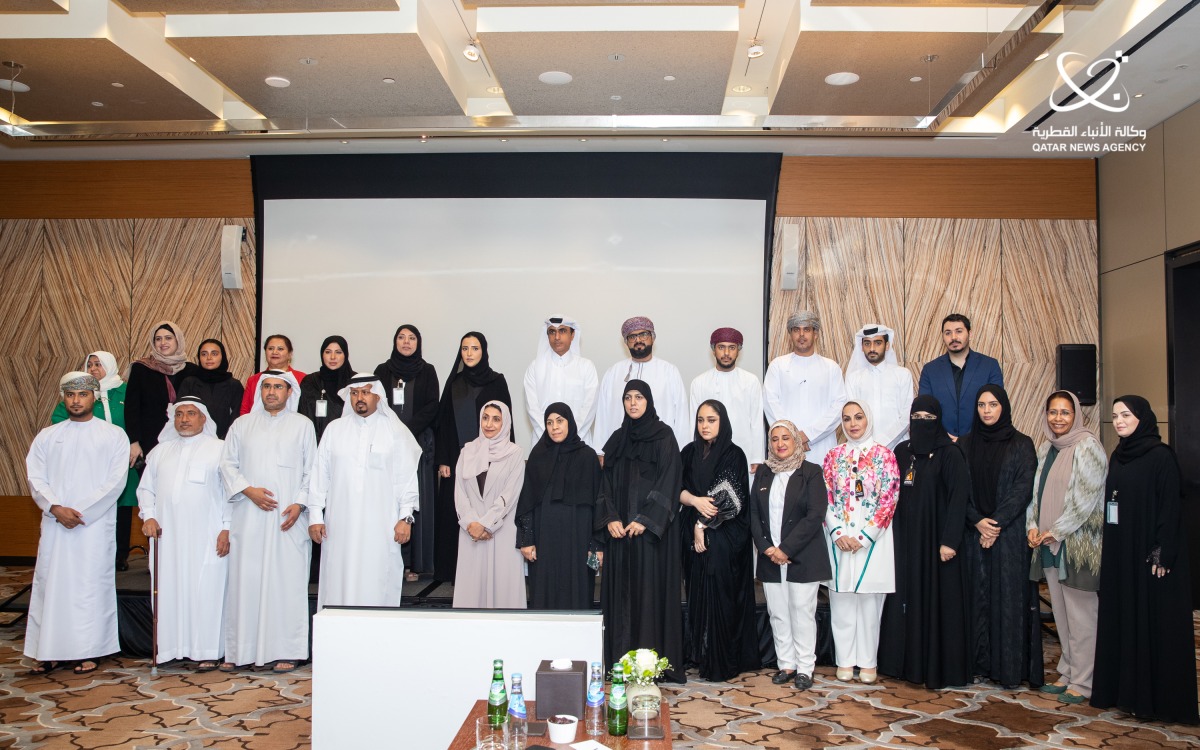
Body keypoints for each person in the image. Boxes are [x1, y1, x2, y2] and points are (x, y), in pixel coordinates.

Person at [1090, 396, 1198, 724]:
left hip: (1151, 558)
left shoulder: (1160, 457)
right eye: (1115, 416)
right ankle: (1126, 695)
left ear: (1143, 418)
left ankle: (1158, 701)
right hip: (1122, 554)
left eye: (1125, 414)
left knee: (1153, 625)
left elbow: (1170, 509)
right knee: (1125, 620)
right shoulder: (1119, 456)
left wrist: (1160, 553)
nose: (1119, 420)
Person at [24, 372, 129, 675]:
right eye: (70, 395)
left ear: (94, 397)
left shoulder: (113, 435)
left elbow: (115, 482)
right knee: (50, 585)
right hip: (56, 522)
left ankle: (89, 650)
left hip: (92, 526)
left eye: (82, 395)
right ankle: (49, 650)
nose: (76, 400)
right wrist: (55, 507)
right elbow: (35, 476)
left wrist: (80, 512)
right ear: (63, 398)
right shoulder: (47, 435)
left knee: (88, 587)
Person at [219, 370, 316, 673]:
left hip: (288, 518)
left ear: (290, 392)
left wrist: (300, 503)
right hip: (248, 516)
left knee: (287, 582)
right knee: (245, 581)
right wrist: (249, 491)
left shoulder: (303, 425)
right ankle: (240, 650)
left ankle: (287, 650)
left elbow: (312, 469)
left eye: (278, 387)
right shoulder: (241, 425)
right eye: (267, 387)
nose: (272, 392)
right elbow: (227, 464)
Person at [877, 395, 971, 689]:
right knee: (904, 601)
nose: (922, 423)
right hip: (905, 543)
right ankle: (903, 666)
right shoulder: (902, 452)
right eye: (916, 417)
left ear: (938, 420)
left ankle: (934, 669)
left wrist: (949, 541)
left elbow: (959, 500)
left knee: (935, 604)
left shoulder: (950, 454)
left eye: (928, 418)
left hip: (937, 545)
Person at [596, 380, 685, 682]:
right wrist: (610, 518)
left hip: (650, 539)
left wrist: (645, 519)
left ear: (648, 401)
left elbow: (670, 482)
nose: (633, 403)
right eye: (627, 398)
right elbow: (603, 486)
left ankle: (649, 666)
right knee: (620, 601)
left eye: (639, 397)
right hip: (620, 536)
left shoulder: (664, 437)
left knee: (648, 598)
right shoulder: (617, 440)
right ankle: (619, 663)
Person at [307, 375, 422, 609]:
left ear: (378, 396)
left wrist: (405, 518)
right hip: (339, 526)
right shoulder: (334, 429)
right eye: (354, 393)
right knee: (338, 580)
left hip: (381, 525)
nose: (359, 398)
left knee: (377, 580)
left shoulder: (394, 430)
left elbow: (407, 477)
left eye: (365, 392)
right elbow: (320, 475)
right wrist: (315, 517)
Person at [137, 396, 230, 671]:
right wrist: (149, 515)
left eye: (191, 414)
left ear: (204, 418)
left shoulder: (220, 450)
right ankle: (171, 648)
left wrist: (227, 528)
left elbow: (230, 495)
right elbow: (146, 490)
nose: (184, 419)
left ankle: (208, 650)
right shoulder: (159, 452)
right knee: (170, 588)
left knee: (207, 590)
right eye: (179, 414)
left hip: (208, 535)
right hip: (169, 537)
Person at [957, 385, 1040, 688]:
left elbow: (1022, 490)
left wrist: (994, 525)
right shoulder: (964, 445)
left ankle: (1008, 670)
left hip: (1010, 537)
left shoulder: (1022, 444)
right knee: (975, 601)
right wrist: (978, 521)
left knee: (1007, 601)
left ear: (1003, 406)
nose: (987, 410)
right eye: (981, 405)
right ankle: (977, 665)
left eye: (993, 404)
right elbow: (958, 491)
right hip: (972, 536)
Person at [1027, 390, 1105, 705]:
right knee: (1061, 614)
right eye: (1053, 412)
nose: (1058, 418)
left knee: (1082, 616)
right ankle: (1069, 671)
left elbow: (1084, 501)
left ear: (1076, 416)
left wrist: (1054, 531)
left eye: (1065, 412)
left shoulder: (1088, 447)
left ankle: (1085, 681)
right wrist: (1032, 527)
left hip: (1077, 548)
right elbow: (1036, 494)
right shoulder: (1048, 448)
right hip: (1047, 544)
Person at [679, 400, 759, 681]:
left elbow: (730, 497)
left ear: (722, 422)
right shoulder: (688, 452)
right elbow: (676, 487)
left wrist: (702, 524)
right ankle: (700, 653)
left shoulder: (734, 454)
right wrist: (693, 500)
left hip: (725, 534)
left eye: (711, 420)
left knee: (720, 594)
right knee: (696, 590)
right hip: (692, 530)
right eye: (700, 420)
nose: (705, 425)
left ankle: (720, 659)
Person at [750, 419, 831, 691]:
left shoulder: (811, 472)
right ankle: (786, 664)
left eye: (786, 437)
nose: (780, 443)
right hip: (771, 557)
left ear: (796, 440)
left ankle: (805, 667)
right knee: (778, 613)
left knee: (801, 612)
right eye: (775, 439)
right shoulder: (763, 473)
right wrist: (767, 548)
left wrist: (785, 549)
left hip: (802, 556)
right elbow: (753, 515)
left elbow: (815, 515)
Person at [822, 401, 899, 684]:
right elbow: (826, 497)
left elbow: (889, 499)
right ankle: (844, 660)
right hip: (840, 540)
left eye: (858, 417)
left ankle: (867, 662)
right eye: (847, 418)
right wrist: (838, 533)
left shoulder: (885, 456)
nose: (853, 423)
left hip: (873, 541)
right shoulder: (833, 456)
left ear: (869, 418)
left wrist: (865, 536)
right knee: (841, 600)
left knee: (869, 603)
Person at [433, 332, 511, 583]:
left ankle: (487, 570)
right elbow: (443, 423)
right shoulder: (454, 383)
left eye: (474, 348)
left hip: (490, 459)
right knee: (455, 510)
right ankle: (453, 572)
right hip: (457, 458)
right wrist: (444, 458)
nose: (468, 353)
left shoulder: (496, 381)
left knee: (487, 511)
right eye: (464, 348)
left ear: (483, 351)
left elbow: (506, 423)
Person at [51, 352, 139, 573]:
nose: (93, 368)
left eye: (98, 364)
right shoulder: (80, 395)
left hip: (123, 459)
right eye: (89, 364)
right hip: (88, 462)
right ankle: (92, 553)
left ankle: (120, 555)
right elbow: (60, 419)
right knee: (92, 502)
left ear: (109, 366)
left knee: (122, 505)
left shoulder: (125, 391)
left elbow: (138, 417)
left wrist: (136, 442)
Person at [125, 321, 202, 570]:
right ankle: (157, 556)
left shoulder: (191, 370)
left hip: (185, 443)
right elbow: (132, 406)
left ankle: (183, 552)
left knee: (180, 495)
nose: (163, 343)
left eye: (168, 338)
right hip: (149, 444)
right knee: (155, 497)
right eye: (158, 339)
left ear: (178, 340)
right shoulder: (141, 368)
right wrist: (134, 442)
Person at [515, 403, 601, 610]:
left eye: (559, 421)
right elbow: (527, 501)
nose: (554, 427)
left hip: (578, 541)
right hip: (545, 541)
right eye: (549, 422)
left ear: (570, 423)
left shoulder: (588, 457)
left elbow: (599, 503)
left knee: (578, 592)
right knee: (544, 593)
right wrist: (527, 540)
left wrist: (597, 546)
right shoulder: (537, 456)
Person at [373, 325, 440, 580]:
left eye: (411, 338)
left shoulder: (427, 370)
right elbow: (376, 403)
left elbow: (433, 405)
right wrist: (395, 431)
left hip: (418, 443)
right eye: (401, 337)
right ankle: (390, 559)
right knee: (389, 499)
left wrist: (406, 430)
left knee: (415, 500)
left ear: (418, 343)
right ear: (394, 342)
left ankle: (414, 564)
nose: (406, 342)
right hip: (387, 442)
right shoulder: (383, 370)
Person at [452, 401, 527, 609]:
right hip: (471, 533)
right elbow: (460, 493)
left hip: (501, 531)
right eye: (485, 418)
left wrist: (485, 524)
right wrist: (471, 523)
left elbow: (509, 495)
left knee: (503, 595)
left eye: (496, 419)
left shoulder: (515, 453)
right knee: (471, 595)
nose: (489, 424)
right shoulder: (467, 451)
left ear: (505, 422)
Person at [762, 311, 846, 469]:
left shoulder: (831, 367)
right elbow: (771, 403)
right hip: (786, 447)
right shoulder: (778, 366)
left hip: (821, 445)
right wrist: (792, 437)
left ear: (815, 334)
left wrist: (808, 435)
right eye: (796, 330)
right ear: (790, 334)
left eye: (807, 329)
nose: (801, 334)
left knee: (821, 492)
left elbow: (838, 407)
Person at [594, 316, 690, 454]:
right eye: (632, 337)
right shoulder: (614, 372)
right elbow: (603, 414)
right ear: (626, 342)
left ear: (653, 338)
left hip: (659, 451)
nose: (638, 340)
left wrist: (680, 453)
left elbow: (681, 416)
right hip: (620, 452)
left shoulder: (669, 371)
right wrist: (600, 451)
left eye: (643, 334)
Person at [688, 327, 765, 470]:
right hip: (707, 454)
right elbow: (694, 421)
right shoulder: (699, 382)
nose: (726, 353)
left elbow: (756, 421)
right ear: (713, 350)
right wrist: (694, 455)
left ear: (738, 350)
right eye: (721, 347)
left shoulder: (750, 381)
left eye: (732, 348)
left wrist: (756, 457)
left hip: (744, 452)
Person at [917, 314, 1003, 439]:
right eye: (948, 333)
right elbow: (925, 410)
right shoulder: (930, 370)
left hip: (981, 442)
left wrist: (969, 439)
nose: (953, 337)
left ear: (970, 334)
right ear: (943, 337)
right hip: (942, 444)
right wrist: (943, 436)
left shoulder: (990, 366)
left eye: (959, 331)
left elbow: (996, 407)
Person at [522, 315, 599, 447]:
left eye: (562, 331)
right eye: (552, 332)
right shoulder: (534, 368)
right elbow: (532, 408)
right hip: (544, 443)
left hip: (578, 443)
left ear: (573, 335)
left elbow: (589, 407)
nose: (557, 337)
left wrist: (572, 437)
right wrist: (550, 436)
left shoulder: (586, 367)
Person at [844, 324, 913, 450]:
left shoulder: (902, 374)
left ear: (887, 346)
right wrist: (869, 448)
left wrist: (881, 445)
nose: (872, 348)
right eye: (867, 343)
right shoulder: (853, 378)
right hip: (863, 450)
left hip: (897, 448)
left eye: (877, 343)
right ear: (861, 346)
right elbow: (852, 416)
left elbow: (906, 415)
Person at [179, 339, 244, 439]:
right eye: (204, 354)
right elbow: (181, 413)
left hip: (226, 441)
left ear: (222, 357)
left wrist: (226, 439)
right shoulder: (189, 383)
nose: (209, 358)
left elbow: (237, 416)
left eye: (214, 354)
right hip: (194, 440)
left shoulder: (233, 385)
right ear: (199, 358)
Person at [298, 335, 354, 443]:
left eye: (338, 352)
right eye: (328, 352)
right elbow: (303, 416)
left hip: (346, 444)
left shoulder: (354, 382)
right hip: (314, 444)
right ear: (322, 354)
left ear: (345, 355)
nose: (333, 357)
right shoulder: (310, 382)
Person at [238, 334, 306, 416]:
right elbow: (245, 411)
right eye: (270, 349)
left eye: (280, 349)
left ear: (290, 354)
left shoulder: (303, 379)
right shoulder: (254, 380)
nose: (274, 352)